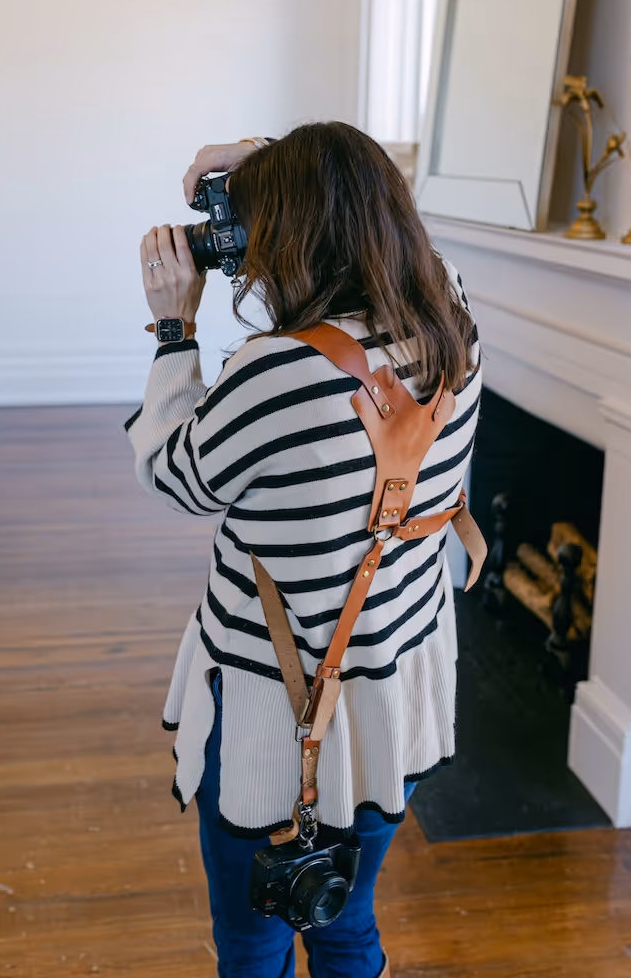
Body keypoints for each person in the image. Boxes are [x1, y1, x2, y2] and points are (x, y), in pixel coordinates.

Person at [126, 122, 481, 978]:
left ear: (288, 233)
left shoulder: (276, 371)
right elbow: (357, 207)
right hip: (393, 696)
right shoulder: (455, 318)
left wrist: (174, 330)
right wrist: (290, 164)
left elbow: (175, 478)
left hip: (273, 724)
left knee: (253, 942)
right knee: (345, 923)